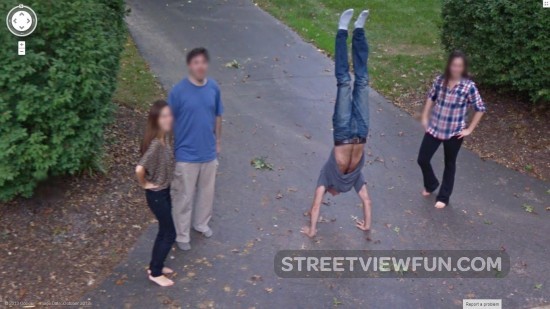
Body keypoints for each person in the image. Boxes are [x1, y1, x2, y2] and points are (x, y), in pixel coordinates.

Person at [301, 9, 372, 238]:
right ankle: (359, 31)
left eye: (330, 194)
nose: (333, 195)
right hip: (361, 132)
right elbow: (367, 201)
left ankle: (342, 30)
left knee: (344, 82)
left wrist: (312, 230)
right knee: (361, 81)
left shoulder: (326, 177)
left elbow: (315, 205)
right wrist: (367, 224)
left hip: (342, 132)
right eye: (333, 195)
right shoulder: (353, 181)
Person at [169, 47, 223, 250]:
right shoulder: (178, 91)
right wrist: (169, 147)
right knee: (184, 197)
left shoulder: (214, 88)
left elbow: (218, 115)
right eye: (196, 63)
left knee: (206, 194)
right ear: (189, 66)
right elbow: (168, 121)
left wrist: (218, 141)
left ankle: (201, 223)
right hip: (186, 154)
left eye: (203, 62)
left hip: (208, 153)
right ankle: (182, 235)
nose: (200, 66)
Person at [418, 51, 486, 209]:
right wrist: (424, 116)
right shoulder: (440, 80)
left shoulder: (468, 87)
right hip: (435, 127)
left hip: (454, 132)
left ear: (464, 68)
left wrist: (469, 129)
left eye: (460, 66)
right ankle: (431, 184)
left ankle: (444, 196)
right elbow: (431, 97)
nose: (456, 69)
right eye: (454, 65)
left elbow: (480, 108)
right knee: (422, 159)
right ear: (449, 65)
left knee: (449, 163)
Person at [135, 100, 177, 287]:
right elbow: (139, 169)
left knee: (164, 230)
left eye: (170, 114)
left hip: (163, 191)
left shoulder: (163, 139)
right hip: (157, 195)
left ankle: (155, 266)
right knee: (169, 233)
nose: (169, 119)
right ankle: (156, 273)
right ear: (156, 120)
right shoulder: (156, 145)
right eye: (164, 116)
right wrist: (145, 184)